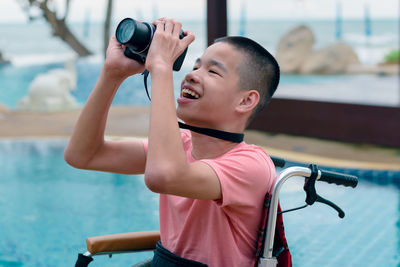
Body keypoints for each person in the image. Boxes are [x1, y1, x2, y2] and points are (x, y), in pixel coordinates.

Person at [65, 17, 281, 267]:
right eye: (196, 66)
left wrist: (160, 67)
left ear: (245, 101)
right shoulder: (180, 144)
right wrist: (112, 74)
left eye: (212, 71)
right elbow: (83, 155)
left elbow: (163, 177)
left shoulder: (252, 165)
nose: (191, 75)